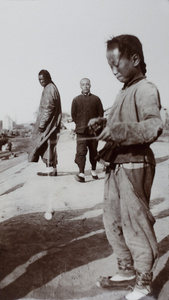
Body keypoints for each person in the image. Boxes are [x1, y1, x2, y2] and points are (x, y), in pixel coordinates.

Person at [88, 35, 163, 300]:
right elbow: (119, 122)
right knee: (112, 221)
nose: (113, 71)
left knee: (136, 224)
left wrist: (115, 130)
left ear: (135, 59)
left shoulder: (145, 89)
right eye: (109, 66)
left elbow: (153, 126)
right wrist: (104, 124)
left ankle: (143, 282)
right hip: (116, 166)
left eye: (116, 64)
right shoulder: (124, 91)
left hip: (135, 165)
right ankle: (127, 270)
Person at [28, 70, 62, 176]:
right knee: (50, 145)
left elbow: (48, 108)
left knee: (46, 144)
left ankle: (50, 168)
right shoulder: (52, 87)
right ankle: (52, 168)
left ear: (48, 78)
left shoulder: (49, 89)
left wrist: (42, 125)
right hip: (52, 123)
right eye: (39, 80)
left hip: (48, 124)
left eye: (42, 79)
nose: (41, 81)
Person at [71, 78, 104, 182]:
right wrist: (81, 125)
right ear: (80, 86)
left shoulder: (96, 99)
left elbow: (100, 114)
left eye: (87, 84)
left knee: (94, 151)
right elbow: (74, 115)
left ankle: (93, 170)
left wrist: (95, 126)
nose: (85, 86)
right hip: (81, 132)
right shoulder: (76, 100)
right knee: (81, 151)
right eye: (83, 85)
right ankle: (81, 173)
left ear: (90, 85)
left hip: (93, 132)